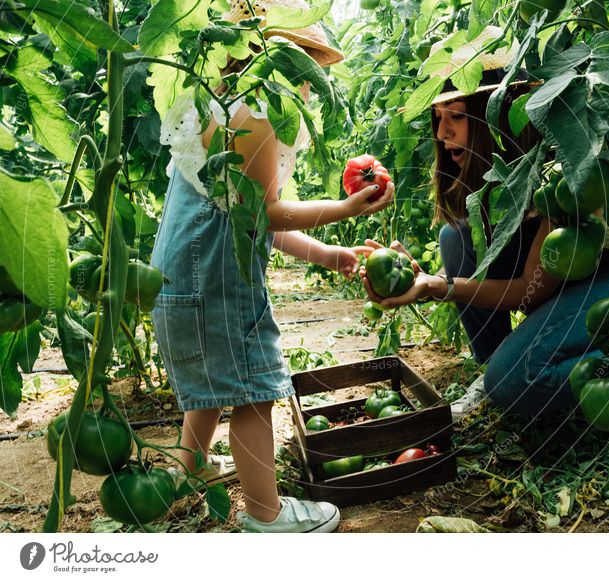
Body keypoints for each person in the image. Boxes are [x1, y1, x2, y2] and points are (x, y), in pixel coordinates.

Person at [360, 26, 609, 426]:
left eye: (456, 116)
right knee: (455, 238)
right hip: (576, 271)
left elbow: (530, 288)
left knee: (517, 378)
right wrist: (427, 278)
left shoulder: (560, 164)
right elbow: (506, 264)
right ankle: (499, 371)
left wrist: (439, 287)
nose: (442, 133)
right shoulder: (505, 169)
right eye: (438, 118)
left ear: (498, 111)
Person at [151, 0, 393, 533]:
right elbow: (264, 211)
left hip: (184, 276)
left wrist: (329, 254)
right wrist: (345, 209)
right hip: (215, 275)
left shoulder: (218, 106)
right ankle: (266, 514)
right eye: (304, 65)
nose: (310, 83)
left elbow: (260, 223)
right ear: (276, 61)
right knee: (254, 392)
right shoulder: (256, 116)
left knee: (219, 378)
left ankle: (186, 467)